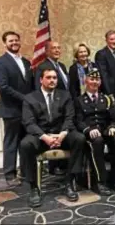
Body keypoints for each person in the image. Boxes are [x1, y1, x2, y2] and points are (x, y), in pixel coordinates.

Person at [20, 67, 86, 208]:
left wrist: (62, 135)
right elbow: (29, 123)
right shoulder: (30, 98)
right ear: (41, 80)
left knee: (79, 138)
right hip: (41, 136)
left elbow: (70, 118)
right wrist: (45, 137)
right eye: (49, 77)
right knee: (25, 144)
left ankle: (70, 182)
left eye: (55, 78)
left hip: (60, 134)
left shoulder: (65, 95)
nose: (52, 80)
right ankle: (33, 187)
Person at [0, 31, 34, 186]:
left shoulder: (27, 62)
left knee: (25, 141)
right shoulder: (0, 63)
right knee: (11, 142)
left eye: (16, 40)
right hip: (10, 109)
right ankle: (10, 174)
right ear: (5, 43)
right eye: (11, 41)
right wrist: (25, 98)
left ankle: (24, 171)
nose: (14, 43)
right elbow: (2, 87)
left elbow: (30, 84)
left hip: (27, 110)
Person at [74, 68, 115, 196]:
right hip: (90, 134)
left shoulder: (107, 99)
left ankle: (114, 178)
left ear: (100, 82)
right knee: (97, 141)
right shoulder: (79, 100)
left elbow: (113, 118)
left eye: (97, 79)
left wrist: (113, 126)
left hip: (105, 130)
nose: (94, 82)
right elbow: (78, 121)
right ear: (86, 81)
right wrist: (88, 130)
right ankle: (100, 181)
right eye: (92, 79)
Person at [34, 41, 70, 175]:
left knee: (62, 133)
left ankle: (61, 165)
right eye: (53, 48)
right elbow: (38, 88)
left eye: (58, 47)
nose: (57, 50)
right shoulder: (42, 66)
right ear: (47, 51)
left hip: (63, 105)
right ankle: (53, 166)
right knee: (52, 132)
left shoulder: (61, 66)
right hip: (50, 106)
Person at [95, 30, 115, 99]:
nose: (114, 41)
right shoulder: (101, 54)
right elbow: (103, 75)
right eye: (111, 39)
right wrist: (109, 93)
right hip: (109, 93)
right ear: (106, 40)